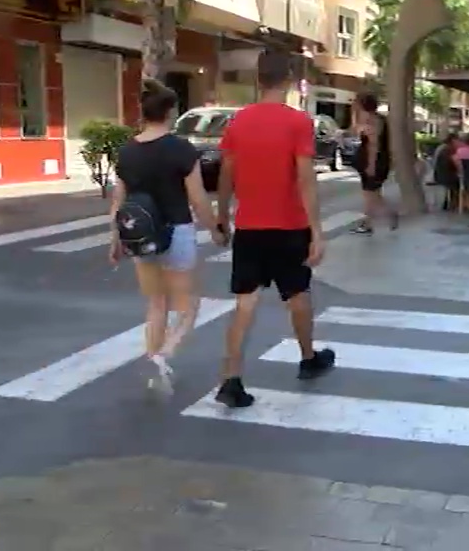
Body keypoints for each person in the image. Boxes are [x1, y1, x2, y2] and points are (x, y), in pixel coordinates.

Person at [215, 50, 335, 408]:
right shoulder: (298, 123)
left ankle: (231, 379)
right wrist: (317, 230)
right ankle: (308, 358)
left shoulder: (238, 122)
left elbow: (226, 173)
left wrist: (222, 215)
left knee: (245, 303)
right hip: (289, 226)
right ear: (288, 81)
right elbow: (305, 179)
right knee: (298, 295)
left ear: (258, 80)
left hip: (250, 226)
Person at [108, 78, 224, 393]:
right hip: (178, 233)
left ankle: (152, 360)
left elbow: (118, 201)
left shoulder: (128, 151)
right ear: (170, 112)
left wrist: (115, 240)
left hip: (141, 235)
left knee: (155, 303)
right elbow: (198, 199)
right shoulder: (180, 149)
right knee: (188, 306)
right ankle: (166, 353)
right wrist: (215, 228)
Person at [349, 93, 398, 235]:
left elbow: (373, 145)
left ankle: (370, 222)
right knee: (373, 194)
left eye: (356, 102)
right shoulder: (374, 119)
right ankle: (381, 218)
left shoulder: (373, 120)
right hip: (374, 160)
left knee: (370, 195)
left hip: (374, 161)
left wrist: (371, 165)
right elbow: (354, 130)